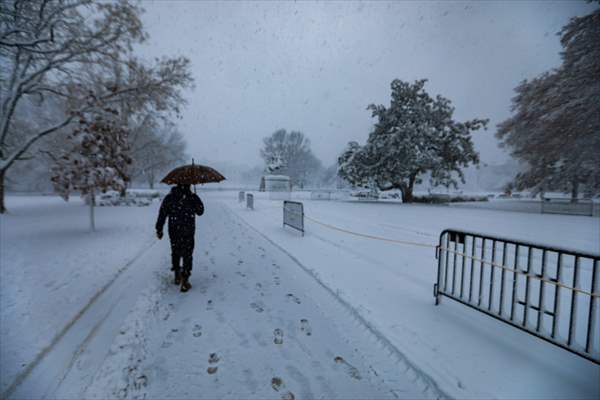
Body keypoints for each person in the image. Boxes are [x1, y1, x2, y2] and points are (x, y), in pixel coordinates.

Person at [155, 184, 204, 292]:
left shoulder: (169, 197)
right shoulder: (191, 197)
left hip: (174, 230)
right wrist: (196, 198)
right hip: (188, 230)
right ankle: (185, 279)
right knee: (188, 253)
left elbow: (162, 214)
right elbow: (200, 211)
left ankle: (177, 274)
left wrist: (159, 229)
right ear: (189, 185)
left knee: (175, 251)